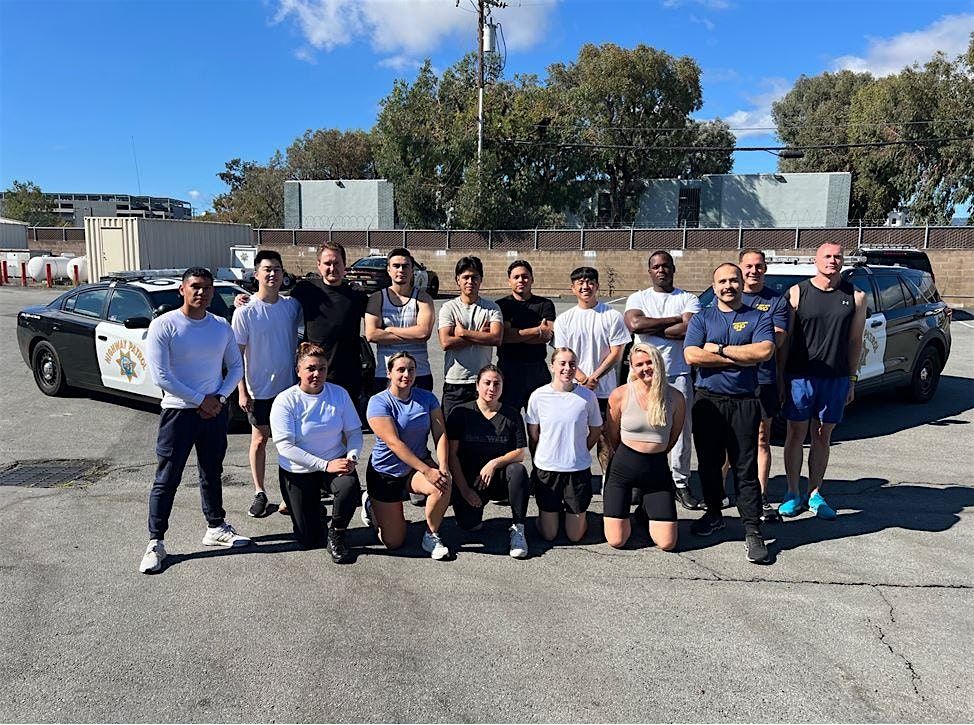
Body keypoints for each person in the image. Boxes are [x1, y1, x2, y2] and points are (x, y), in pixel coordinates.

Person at [139, 267, 248, 574]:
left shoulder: (221, 326)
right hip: (178, 413)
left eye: (207, 288)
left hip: (214, 413)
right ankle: (155, 542)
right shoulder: (164, 325)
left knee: (212, 472)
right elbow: (161, 376)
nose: (201, 292)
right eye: (195, 287)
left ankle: (215, 527)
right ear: (182, 290)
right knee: (167, 478)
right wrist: (201, 400)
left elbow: (236, 368)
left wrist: (220, 398)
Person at [684, 263, 775, 564]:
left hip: (744, 402)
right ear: (714, 286)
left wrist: (720, 350)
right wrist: (740, 358)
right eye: (722, 281)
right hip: (708, 401)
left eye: (733, 280)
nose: (728, 286)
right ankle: (714, 515)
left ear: (741, 283)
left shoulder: (758, 316)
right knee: (709, 464)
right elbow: (691, 354)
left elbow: (763, 352)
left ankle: (752, 529)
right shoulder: (702, 318)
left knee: (745, 468)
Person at [779, 243, 867, 519]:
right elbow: (785, 341)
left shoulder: (856, 296)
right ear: (815, 260)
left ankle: (815, 493)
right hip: (799, 376)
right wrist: (781, 378)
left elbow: (855, 341)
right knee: (795, 433)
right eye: (827, 256)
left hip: (835, 378)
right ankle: (792, 492)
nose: (832, 260)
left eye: (837, 256)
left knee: (822, 435)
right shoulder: (797, 293)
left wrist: (851, 379)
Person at [269, 343, 362, 564]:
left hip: (334, 462)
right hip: (298, 470)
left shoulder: (338, 394)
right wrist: (324, 465)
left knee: (348, 486)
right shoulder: (285, 400)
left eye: (322, 368)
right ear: (298, 371)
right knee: (309, 539)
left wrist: (352, 457)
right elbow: (285, 447)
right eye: (310, 368)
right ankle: (315, 511)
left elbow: (354, 432)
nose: (317, 374)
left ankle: (337, 532)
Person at [624, 251, 701, 511]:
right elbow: (636, 324)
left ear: (673, 269)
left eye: (665, 266)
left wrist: (653, 327)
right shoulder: (638, 297)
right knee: (639, 426)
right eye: (656, 266)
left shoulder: (688, 298)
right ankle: (638, 478)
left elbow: (690, 329)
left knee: (681, 430)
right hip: (642, 374)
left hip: (677, 373)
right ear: (650, 271)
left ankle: (680, 482)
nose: (661, 270)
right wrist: (674, 319)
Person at [231, 250, 302, 519]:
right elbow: (236, 356)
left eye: (277, 269)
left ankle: (290, 494)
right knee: (259, 440)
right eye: (267, 269)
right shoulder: (245, 311)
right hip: (258, 390)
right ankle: (259, 492)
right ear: (256, 274)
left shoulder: (291, 306)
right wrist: (242, 390)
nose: (272, 274)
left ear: (283, 274)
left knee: (290, 441)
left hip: (289, 389)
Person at [365, 351, 453, 560]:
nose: (406, 374)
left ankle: (431, 535)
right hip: (385, 473)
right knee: (394, 542)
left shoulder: (427, 398)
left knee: (442, 483)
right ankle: (371, 505)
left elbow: (440, 433)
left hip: (415, 468)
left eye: (411, 370)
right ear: (389, 373)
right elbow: (394, 443)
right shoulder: (378, 402)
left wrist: (443, 466)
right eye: (401, 370)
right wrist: (427, 470)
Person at [602, 343, 685, 550]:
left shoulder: (675, 397)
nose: (645, 368)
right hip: (622, 470)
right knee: (617, 540)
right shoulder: (620, 394)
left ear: (659, 363)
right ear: (632, 367)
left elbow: (673, 436)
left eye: (650, 362)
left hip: (656, 471)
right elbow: (613, 435)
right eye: (639, 364)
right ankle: (622, 511)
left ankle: (645, 509)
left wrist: (654, 451)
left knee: (667, 543)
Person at [447, 364, 531, 559]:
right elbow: (452, 455)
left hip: (499, 479)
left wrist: (494, 463)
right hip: (470, 481)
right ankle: (470, 510)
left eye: (496, 384)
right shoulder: (461, 413)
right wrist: (465, 491)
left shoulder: (511, 414)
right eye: (487, 383)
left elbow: (520, 452)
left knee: (517, 471)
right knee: (470, 526)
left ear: (502, 387)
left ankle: (518, 527)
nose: (492, 388)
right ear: (477, 385)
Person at [553, 267, 631, 473]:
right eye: (580, 283)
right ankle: (575, 477)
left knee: (606, 437)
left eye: (589, 282)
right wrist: (581, 379)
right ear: (572, 288)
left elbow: (616, 352)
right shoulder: (564, 320)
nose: (585, 286)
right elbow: (563, 354)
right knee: (574, 435)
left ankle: (608, 481)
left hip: (604, 391)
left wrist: (594, 377)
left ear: (597, 286)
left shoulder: (612, 316)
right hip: (573, 390)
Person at [525, 348, 603, 543]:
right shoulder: (538, 396)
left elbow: (595, 431)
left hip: (577, 470)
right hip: (548, 469)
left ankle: (577, 515)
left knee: (574, 536)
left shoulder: (587, 397)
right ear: (552, 366)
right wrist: (541, 456)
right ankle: (549, 515)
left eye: (572, 364)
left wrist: (579, 450)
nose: (567, 368)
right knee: (549, 534)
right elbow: (533, 434)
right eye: (562, 363)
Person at [738, 248, 790, 521]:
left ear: (765, 269)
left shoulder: (776, 301)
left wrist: (738, 343)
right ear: (740, 267)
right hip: (729, 380)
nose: (753, 271)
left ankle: (761, 497)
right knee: (727, 440)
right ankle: (720, 496)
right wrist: (756, 341)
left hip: (763, 380)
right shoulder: (729, 295)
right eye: (748, 266)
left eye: (758, 266)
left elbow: (776, 342)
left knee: (761, 438)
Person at [289, 242, 369, 410]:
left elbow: (381, 314)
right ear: (318, 265)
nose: (332, 268)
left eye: (337, 263)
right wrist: (244, 300)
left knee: (346, 424)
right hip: (314, 375)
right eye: (327, 263)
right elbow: (275, 302)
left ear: (344, 265)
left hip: (348, 377)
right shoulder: (305, 290)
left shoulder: (357, 295)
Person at [437, 256, 503, 419]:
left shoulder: (491, 308)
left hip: (483, 382)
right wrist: (480, 335)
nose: (470, 281)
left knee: (482, 431)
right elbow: (445, 342)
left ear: (481, 280)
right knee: (452, 430)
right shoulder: (449, 308)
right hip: (455, 381)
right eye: (465, 277)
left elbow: (496, 339)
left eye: (474, 277)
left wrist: (464, 333)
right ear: (457, 280)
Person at [364, 248, 435, 394]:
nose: (401, 270)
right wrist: (412, 334)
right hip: (385, 374)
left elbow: (423, 333)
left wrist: (390, 330)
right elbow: (372, 334)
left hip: (419, 374)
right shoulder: (377, 298)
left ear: (412, 270)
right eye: (396, 266)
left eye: (405, 266)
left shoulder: (423, 299)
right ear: (388, 270)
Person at [495, 260, 556, 411]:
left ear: (532, 279)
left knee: (540, 419)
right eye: (516, 277)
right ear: (509, 281)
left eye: (525, 276)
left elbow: (546, 335)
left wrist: (516, 333)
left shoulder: (545, 304)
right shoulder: (501, 305)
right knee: (508, 418)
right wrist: (536, 330)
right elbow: (505, 336)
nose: (521, 280)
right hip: (508, 369)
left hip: (537, 370)